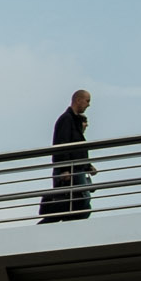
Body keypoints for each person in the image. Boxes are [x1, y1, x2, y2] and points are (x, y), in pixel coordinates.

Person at [38, 89, 94, 223]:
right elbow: (61, 144)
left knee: (74, 204)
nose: (88, 105)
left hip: (76, 169)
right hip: (70, 170)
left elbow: (75, 149)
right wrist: (64, 169)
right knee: (79, 202)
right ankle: (54, 227)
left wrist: (88, 166)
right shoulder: (67, 119)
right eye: (87, 101)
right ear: (78, 100)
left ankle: (63, 227)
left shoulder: (73, 120)